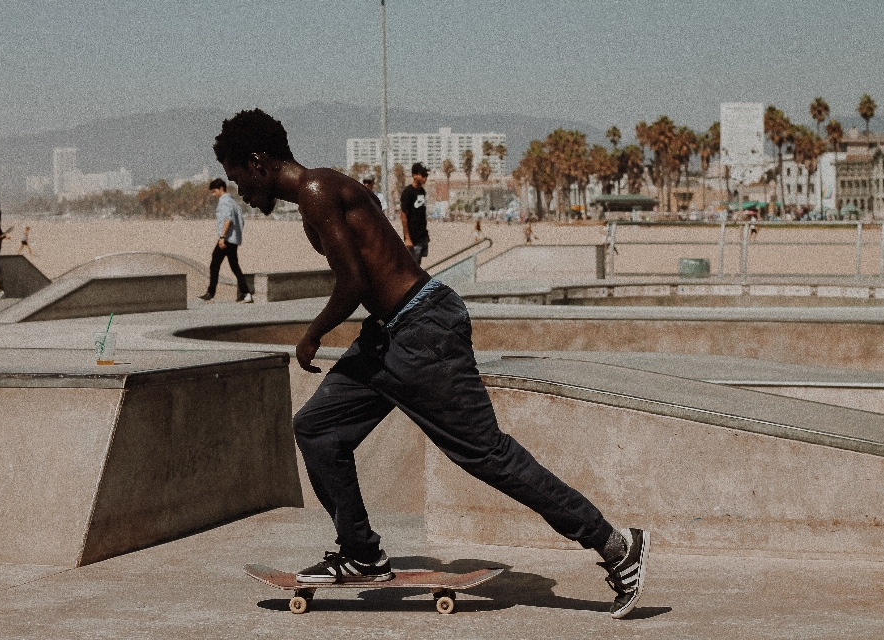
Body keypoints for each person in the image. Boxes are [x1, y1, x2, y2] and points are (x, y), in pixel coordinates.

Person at [212, 109, 650, 619]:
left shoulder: (315, 190)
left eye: (238, 176)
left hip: (423, 330)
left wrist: (312, 335)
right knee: (318, 428)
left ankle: (617, 546)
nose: (240, 190)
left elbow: (352, 281)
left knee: (488, 456)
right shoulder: (329, 188)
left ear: (257, 162)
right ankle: (360, 553)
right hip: (390, 335)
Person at [199, 178, 253, 303]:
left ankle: (211, 293)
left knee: (214, 264)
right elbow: (241, 221)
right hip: (233, 239)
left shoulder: (224, 202)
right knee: (234, 266)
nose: (213, 195)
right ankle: (246, 294)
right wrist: (235, 235)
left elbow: (228, 220)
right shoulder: (234, 202)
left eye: (214, 191)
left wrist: (222, 237)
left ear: (221, 189)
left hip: (227, 239)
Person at [399, 162, 430, 266]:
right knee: (412, 266)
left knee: (419, 264)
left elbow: (422, 213)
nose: (425, 177)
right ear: (414, 175)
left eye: (426, 175)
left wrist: (425, 234)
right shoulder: (407, 193)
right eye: (423, 175)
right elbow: (403, 215)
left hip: (422, 235)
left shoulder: (422, 192)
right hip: (413, 237)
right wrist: (407, 238)